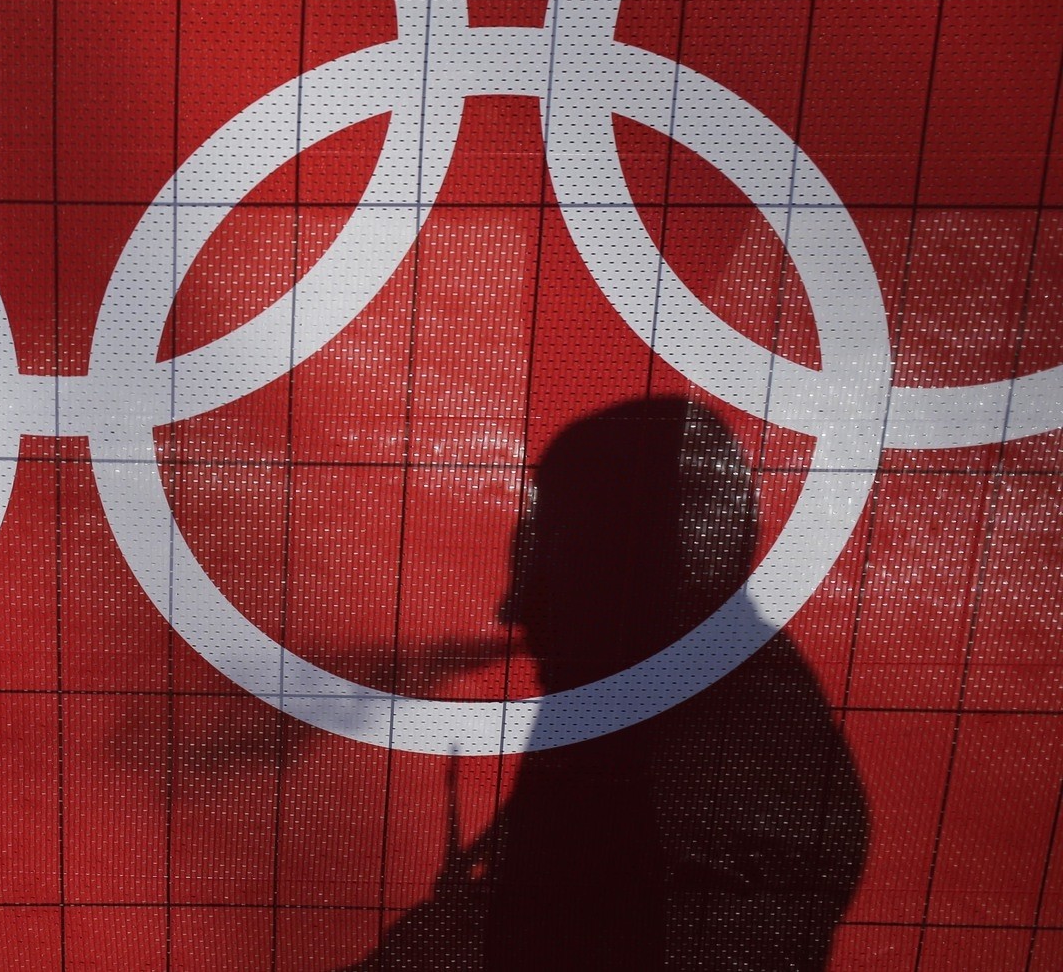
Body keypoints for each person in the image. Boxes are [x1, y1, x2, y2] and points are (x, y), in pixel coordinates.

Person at [345, 398, 869, 971]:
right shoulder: (666, 720)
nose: (511, 610)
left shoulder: (714, 774)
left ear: (630, 570)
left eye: (553, 552)